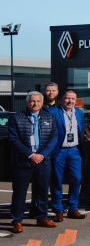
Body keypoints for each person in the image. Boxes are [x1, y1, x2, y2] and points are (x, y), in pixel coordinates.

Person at [8, 92, 59, 233]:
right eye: (32, 101)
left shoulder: (49, 116)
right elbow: (13, 139)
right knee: (19, 193)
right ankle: (17, 221)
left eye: (38, 101)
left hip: (43, 161)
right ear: (27, 102)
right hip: (23, 161)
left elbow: (54, 138)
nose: (35, 104)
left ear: (42, 103)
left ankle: (42, 218)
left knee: (43, 191)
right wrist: (31, 155)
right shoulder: (16, 117)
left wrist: (41, 155)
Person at [49, 91, 87, 222]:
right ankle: (58, 210)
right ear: (62, 99)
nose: (70, 101)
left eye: (73, 99)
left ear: (75, 100)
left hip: (74, 151)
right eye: (67, 98)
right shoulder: (53, 112)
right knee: (56, 181)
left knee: (76, 179)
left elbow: (80, 131)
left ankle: (72, 208)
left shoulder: (79, 113)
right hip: (58, 151)